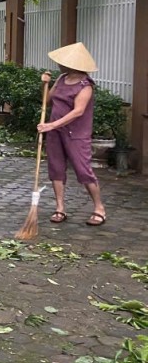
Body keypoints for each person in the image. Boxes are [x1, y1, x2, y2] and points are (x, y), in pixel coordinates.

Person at [38, 42, 106, 227]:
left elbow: (78, 111)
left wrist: (52, 125)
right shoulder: (61, 79)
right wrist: (45, 84)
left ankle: (99, 208)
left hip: (76, 134)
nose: (60, 64)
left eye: (64, 62)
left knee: (83, 170)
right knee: (56, 168)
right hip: (55, 133)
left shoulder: (86, 86)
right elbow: (47, 101)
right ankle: (60, 208)